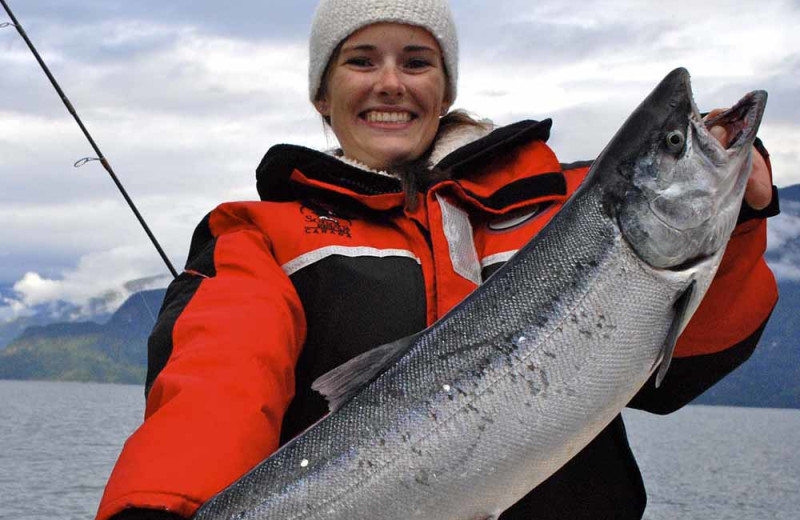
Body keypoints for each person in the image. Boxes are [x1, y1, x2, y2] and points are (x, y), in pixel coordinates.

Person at [96, 1, 780, 519]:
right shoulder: (261, 235)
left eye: (416, 62)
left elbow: (678, 366)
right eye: (361, 61)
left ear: (444, 90)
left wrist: (739, 219)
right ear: (320, 97)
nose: (390, 82)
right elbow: (217, 383)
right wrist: (159, 504)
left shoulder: (564, 203)